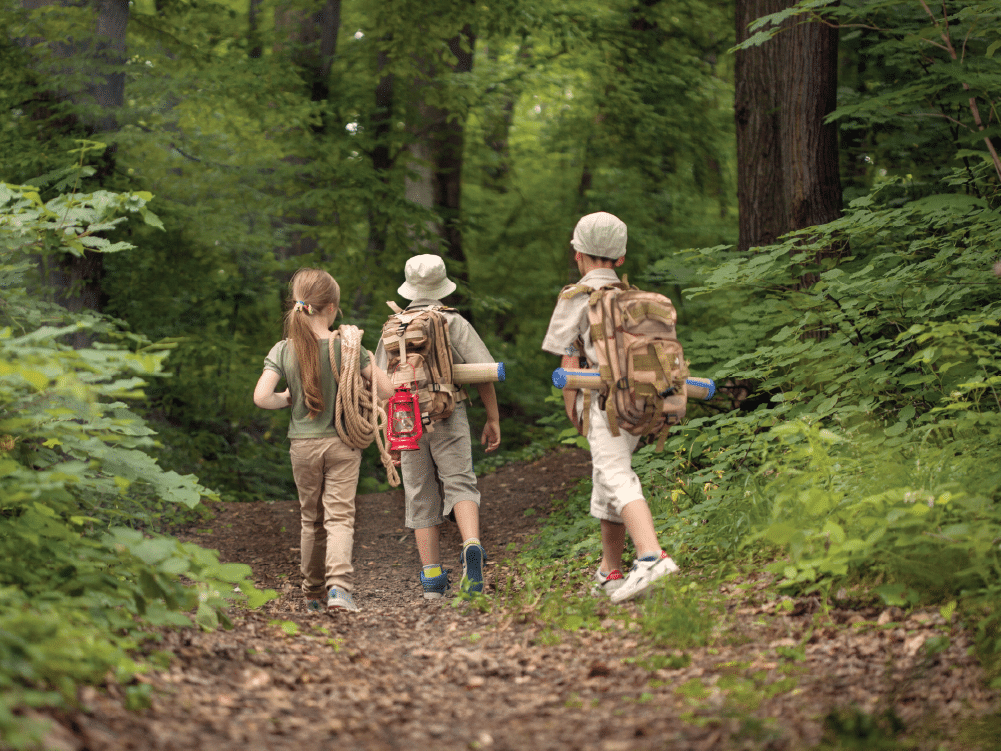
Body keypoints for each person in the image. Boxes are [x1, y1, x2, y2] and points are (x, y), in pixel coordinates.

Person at [541, 212, 679, 603]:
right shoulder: (636, 299)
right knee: (607, 481)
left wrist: (574, 409)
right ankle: (609, 572)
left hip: (605, 403)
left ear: (578, 254)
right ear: (620, 258)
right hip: (645, 402)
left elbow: (568, 358)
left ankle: (651, 556)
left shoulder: (578, 296)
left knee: (614, 474)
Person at [253, 268, 392, 613]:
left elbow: (261, 397)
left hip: (302, 445)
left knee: (309, 518)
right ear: (331, 308)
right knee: (339, 517)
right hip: (343, 443)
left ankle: (312, 593)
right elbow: (387, 390)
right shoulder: (348, 347)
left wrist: (289, 398)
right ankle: (339, 590)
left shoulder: (284, 349)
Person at [376, 254, 501, 599]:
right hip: (449, 411)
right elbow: (484, 372)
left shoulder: (393, 326)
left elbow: (380, 384)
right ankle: (471, 544)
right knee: (460, 483)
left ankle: (432, 579)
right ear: (443, 285)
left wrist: (391, 435)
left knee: (418, 493)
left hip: (405, 419)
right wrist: (492, 417)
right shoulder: (451, 321)